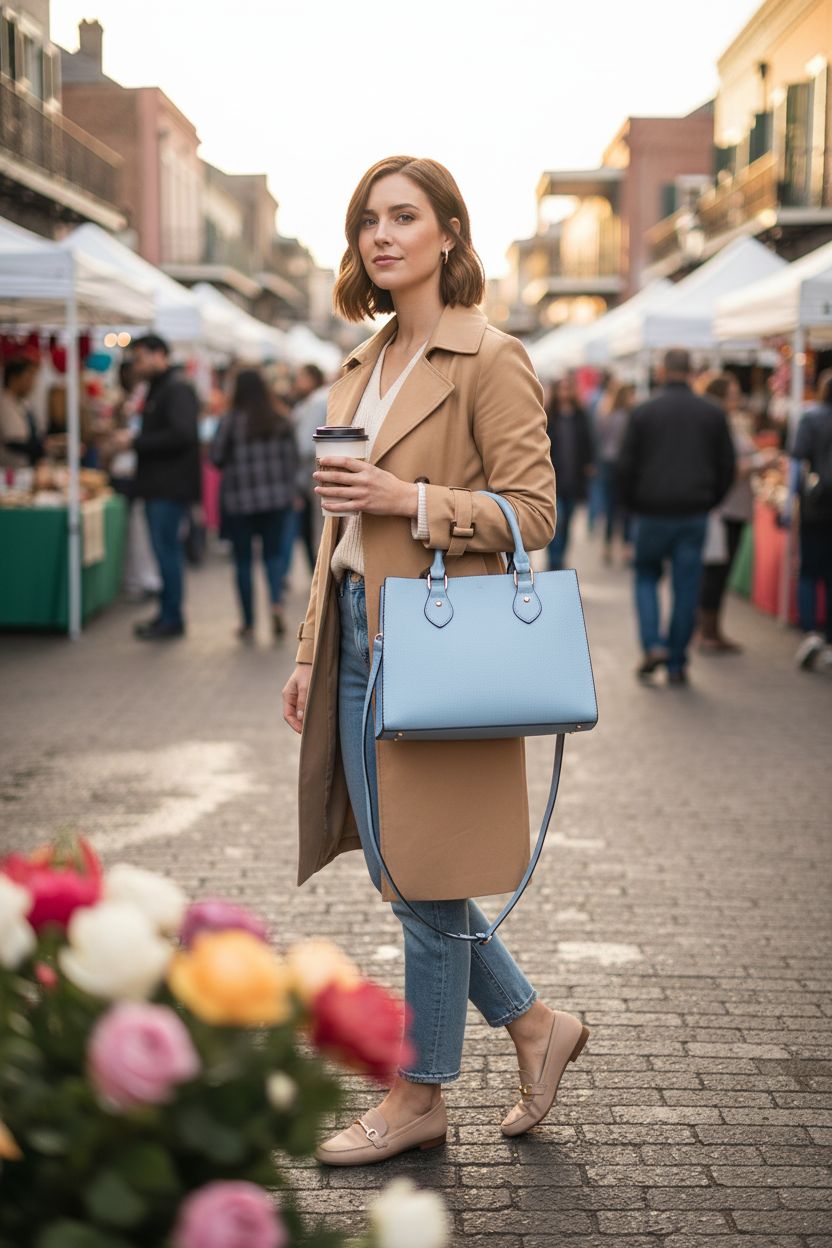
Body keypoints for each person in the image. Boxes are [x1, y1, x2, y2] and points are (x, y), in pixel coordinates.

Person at [281, 155, 587, 1167]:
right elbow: (333, 528)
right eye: (368, 218)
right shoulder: (358, 365)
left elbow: (532, 512)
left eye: (404, 216)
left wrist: (408, 501)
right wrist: (306, 650)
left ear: (449, 233)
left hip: (434, 646)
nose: (381, 234)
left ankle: (419, 1094)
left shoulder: (488, 356)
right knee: (409, 872)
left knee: (420, 877)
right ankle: (535, 1026)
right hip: (357, 645)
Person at [618, 348, 735, 685]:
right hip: (693, 511)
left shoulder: (643, 411)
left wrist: (630, 507)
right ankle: (677, 660)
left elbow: (625, 466)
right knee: (686, 586)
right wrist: (711, 500)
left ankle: (654, 644)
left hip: (651, 512)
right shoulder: (711, 413)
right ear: (692, 371)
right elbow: (726, 465)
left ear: (661, 370)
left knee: (645, 577)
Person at [114, 335, 201, 641]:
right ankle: (167, 613)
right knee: (163, 551)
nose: (135, 365)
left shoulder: (175, 388)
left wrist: (135, 442)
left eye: (139, 358)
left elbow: (183, 435)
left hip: (169, 486)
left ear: (158, 354)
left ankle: (172, 617)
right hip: (159, 485)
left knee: (167, 552)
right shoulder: (162, 387)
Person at [210, 369, 299, 641]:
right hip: (276, 500)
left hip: (240, 502)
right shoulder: (281, 418)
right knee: (273, 557)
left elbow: (216, 458)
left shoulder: (230, 421)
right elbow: (293, 460)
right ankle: (276, 605)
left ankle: (248, 622)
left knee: (244, 562)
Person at [696, 373, 773, 654]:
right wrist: (759, 463)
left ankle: (708, 627)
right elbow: (727, 468)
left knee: (717, 571)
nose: (738, 398)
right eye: (733, 393)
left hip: (734, 506)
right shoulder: (718, 424)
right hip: (725, 507)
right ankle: (708, 629)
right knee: (716, 571)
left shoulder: (730, 422)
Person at [787, 373, 832, 670]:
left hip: (816, 505)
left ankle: (810, 632)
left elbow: (797, 463)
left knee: (809, 570)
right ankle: (827, 635)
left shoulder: (811, 418)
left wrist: (791, 503)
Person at [545, 377, 594, 570]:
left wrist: (589, 465)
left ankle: (561, 558)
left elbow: (588, 443)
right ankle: (554, 562)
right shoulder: (549, 417)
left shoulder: (581, 417)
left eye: (568, 389)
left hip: (574, 480)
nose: (564, 393)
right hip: (554, 481)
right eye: (561, 389)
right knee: (558, 522)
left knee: (568, 525)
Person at [291, 363, 330, 572]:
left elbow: (304, 445)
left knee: (317, 530)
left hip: (313, 477)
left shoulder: (317, 401)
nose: (297, 382)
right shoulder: (319, 399)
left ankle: (319, 575)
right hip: (315, 476)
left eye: (301, 377)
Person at [595, 380, 635, 565]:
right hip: (623, 464)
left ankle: (607, 545)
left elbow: (599, 440)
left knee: (610, 507)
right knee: (625, 507)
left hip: (606, 463)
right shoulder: (628, 417)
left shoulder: (605, 414)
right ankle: (626, 547)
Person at [0, 359, 44, 468]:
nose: (32, 383)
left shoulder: (24, 403)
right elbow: (13, 441)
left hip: (27, 466)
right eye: (28, 378)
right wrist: (43, 447)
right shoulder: (3, 404)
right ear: (14, 378)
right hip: (11, 469)